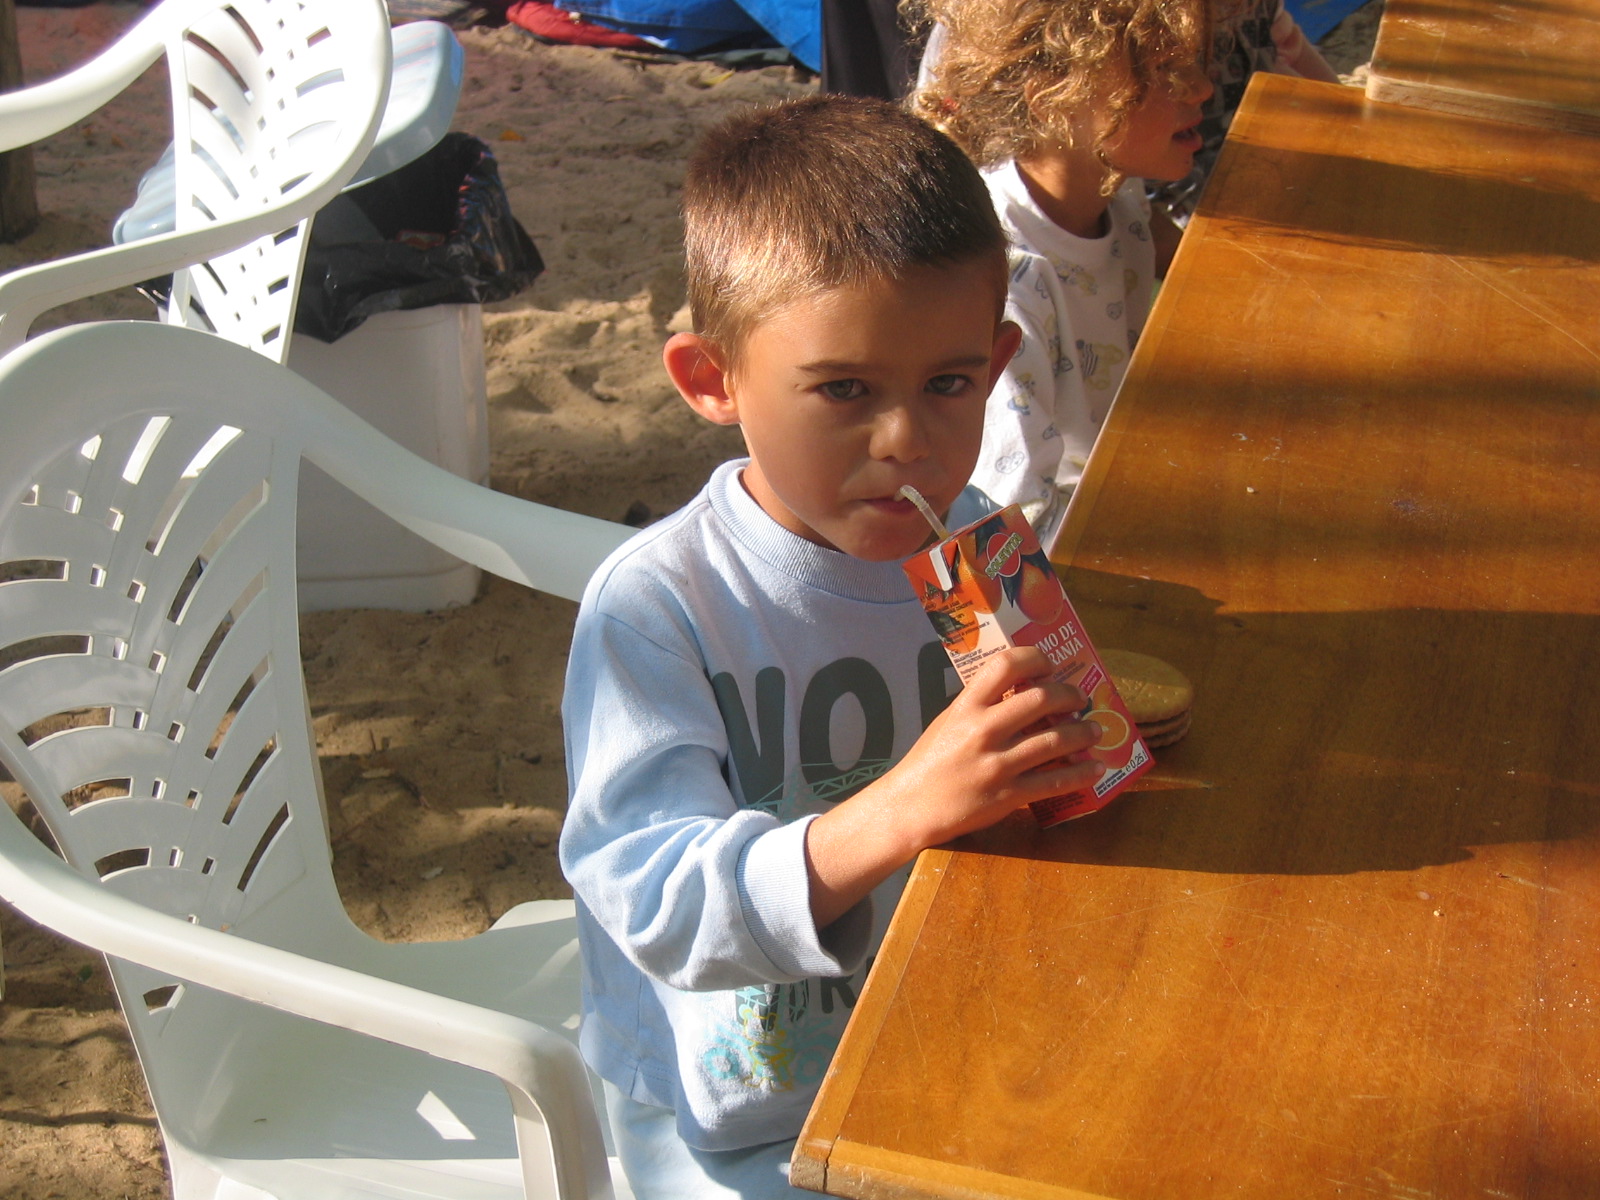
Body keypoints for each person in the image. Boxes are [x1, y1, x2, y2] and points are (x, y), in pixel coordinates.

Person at [558, 94, 1106, 1199]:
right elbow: (656, 904)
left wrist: (1069, 745)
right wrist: (904, 807)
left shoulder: (975, 546)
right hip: (742, 1113)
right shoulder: (660, 608)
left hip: (943, 1032)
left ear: (997, 362)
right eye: (844, 389)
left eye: (948, 384)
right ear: (713, 380)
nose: (906, 439)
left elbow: (1041, 782)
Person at [908, 0, 1332, 546]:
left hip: (1128, 467)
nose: (1203, 88)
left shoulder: (1117, 191)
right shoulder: (1006, 285)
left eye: (1193, 64)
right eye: (1164, 71)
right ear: (1055, 97)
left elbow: (1202, 274)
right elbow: (1009, 528)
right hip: (1081, 541)